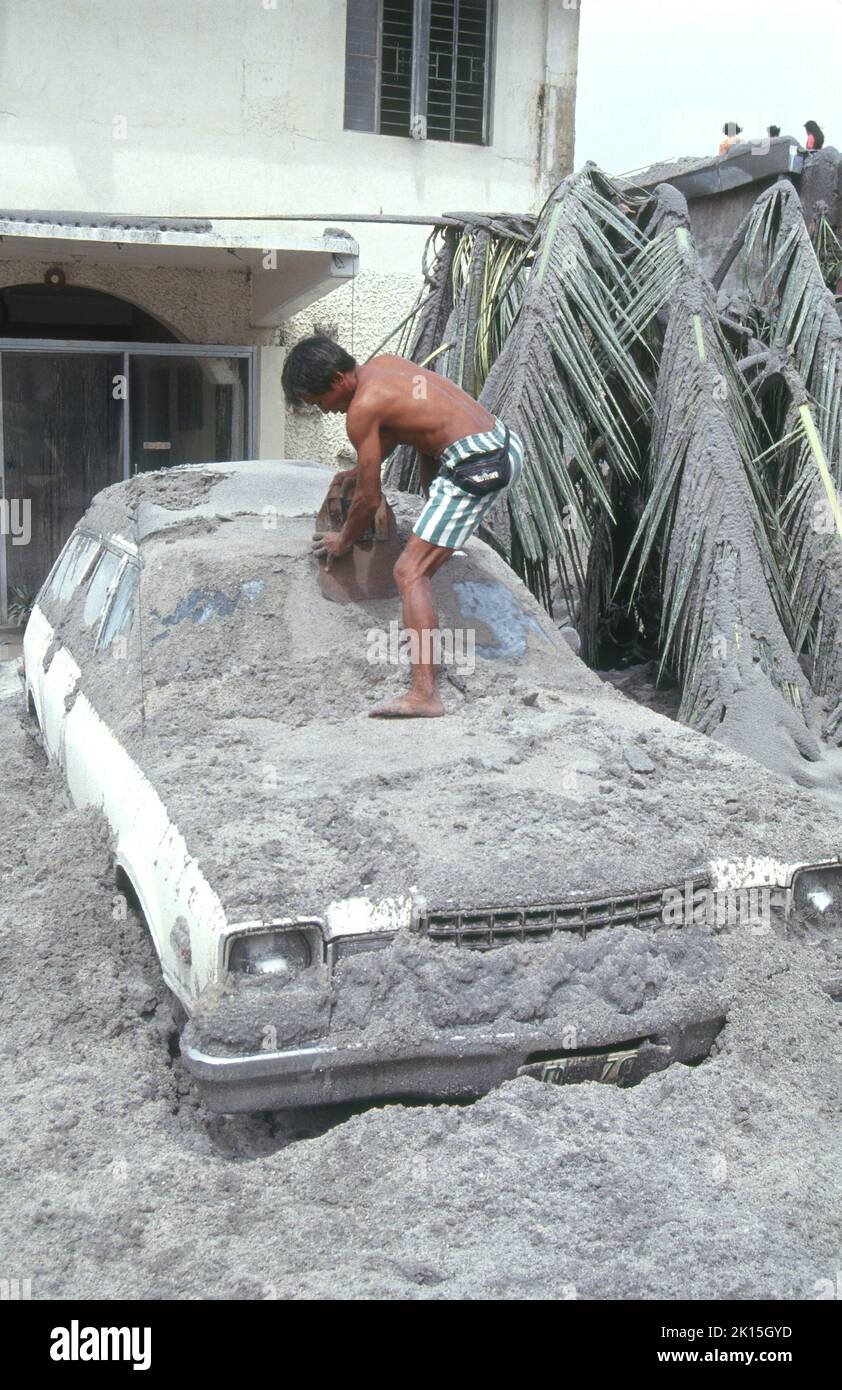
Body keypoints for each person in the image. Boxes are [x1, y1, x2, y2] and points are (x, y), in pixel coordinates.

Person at [281, 337, 524, 718]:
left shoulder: (359, 410)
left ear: (338, 381)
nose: (325, 412)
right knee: (422, 543)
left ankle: (425, 694)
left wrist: (343, 540)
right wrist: (360, 470)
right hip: (503, 442)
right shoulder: (384, 365)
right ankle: (440, 549)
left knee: (409, 572)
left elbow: (369, 500)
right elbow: (397, 428)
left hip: (478, 464)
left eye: (319, 403)